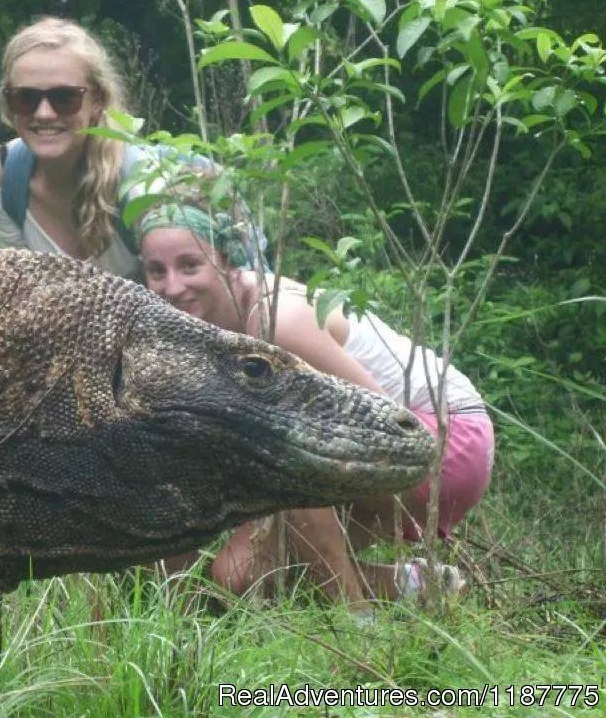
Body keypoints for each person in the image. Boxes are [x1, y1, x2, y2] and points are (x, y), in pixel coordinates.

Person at [135, 197, 494, 604]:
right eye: (156, 271)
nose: (173, 286)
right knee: (241, 575)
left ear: (226, 261)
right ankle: (418, 585)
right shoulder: (200, 328)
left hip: (443, 440)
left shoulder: (275, 321)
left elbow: (385, 425)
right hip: (369, 454)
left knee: (284, 446)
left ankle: (356, 620)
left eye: (189, 265)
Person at [0, 17, 139, 279]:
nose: (45, 114)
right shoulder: (2, 175)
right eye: (26, 98)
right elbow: (19, 292)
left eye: (64, 98)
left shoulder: (139, 179)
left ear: (97, 100)